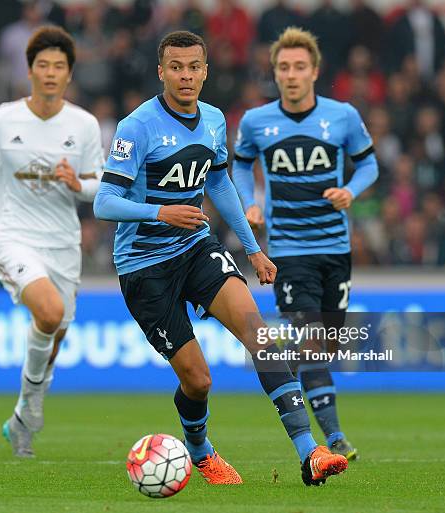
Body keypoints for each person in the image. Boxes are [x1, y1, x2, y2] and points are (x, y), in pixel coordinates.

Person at [94, 30, 347, 486]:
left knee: (260, 335)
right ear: (161, 72)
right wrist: (159, 210)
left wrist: (252, 248)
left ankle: (310, 452)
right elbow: (104, 202)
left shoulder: (212, 120)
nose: (185, 76)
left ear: (205, 71)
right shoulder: (137, 126)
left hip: (196, 248)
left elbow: (218, 184)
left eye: (194, 67)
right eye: (176, 67)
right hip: (144, 266)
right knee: (199, 381)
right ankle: (200, 451)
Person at [0, 26, 104, 457]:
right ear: (30, 70)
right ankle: (31, 411)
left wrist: (79, 183)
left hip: (62, 243)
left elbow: (100, 184)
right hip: (13, 236)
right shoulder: (3, 118)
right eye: (43, 65)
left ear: (69, 74)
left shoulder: (84, 124)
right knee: (49, 311)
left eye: (59, 66)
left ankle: (23, 414)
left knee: (54, 335)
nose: (50, 73)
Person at [232, 27, 379, 461]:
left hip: (335, 247)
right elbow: (239, 168)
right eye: (283, 68)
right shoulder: (257, 122)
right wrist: (251, 203)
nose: (291, 75)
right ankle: (334, 439)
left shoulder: (343, 116)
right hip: (289, 250)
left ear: (315, 71)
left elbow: (368, 165)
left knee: (327, 344)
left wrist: (351, 190)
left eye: (299, 67)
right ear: (274, 73)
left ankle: (282, 364)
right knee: (314, 340)